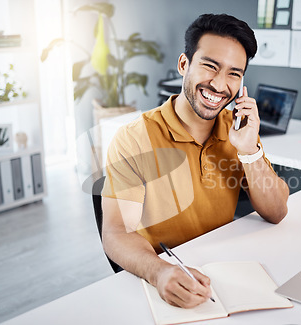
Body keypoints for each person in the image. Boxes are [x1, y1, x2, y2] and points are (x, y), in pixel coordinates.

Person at [101, 13, 289, 309]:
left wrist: (249, 150)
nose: (219, 85)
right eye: (210, 66)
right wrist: (158, 272)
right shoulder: (135, 138)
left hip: (224, 272)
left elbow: (276, 211)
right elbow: (116, 232)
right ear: (184, 64)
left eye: (233, 74)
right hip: (166, 276)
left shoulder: (238, 129)